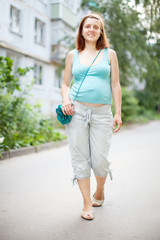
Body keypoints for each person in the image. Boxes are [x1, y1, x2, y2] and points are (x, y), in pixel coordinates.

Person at [61, 13, 122, 220]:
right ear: (82, 30)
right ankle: (87, 203)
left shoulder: (109, 54)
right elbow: (65, 83)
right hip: (76, 110)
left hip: (102, 112)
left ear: (100, 32)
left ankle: (100, 189)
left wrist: (118, 112)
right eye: (88, 26)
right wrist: (65, 100)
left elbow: (115, 84)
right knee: (80, 157)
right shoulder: (72, 55)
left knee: (100, 159)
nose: (91, 30)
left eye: (96, 27)